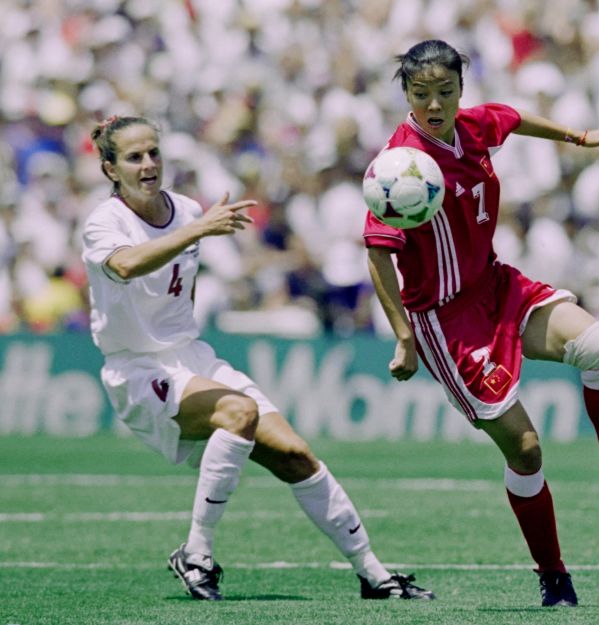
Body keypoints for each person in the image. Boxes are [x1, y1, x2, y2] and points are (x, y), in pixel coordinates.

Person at [362, 40, 599, 609]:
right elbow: (377, 251)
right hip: (446, 322)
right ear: (405, 93)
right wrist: (405, 338)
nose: (435, 104)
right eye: (421, 93)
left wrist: (578, 138)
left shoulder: (474, 125)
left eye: (446, 91)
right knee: (526, 452)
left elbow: (510, 117)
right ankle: (554, 576)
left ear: (461, 89)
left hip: (497, 287)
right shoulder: (400, 164)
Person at [80, 115, 433, 602]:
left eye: (154, 153)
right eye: (134, 157)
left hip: (192, 356)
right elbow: (124, 264)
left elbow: (188, 285)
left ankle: (374, 575)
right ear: (110, 169)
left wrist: (209, 233)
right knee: (239, 412)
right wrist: (198, 229)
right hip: (138, 366)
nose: (148, 164)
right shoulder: (106, 220)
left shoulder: (185, 209)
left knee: (296, 455)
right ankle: (197, 553)